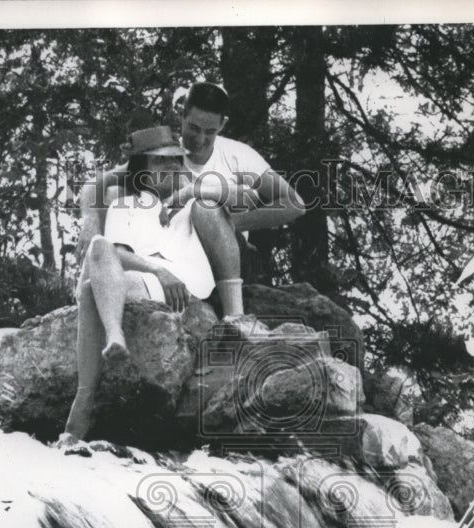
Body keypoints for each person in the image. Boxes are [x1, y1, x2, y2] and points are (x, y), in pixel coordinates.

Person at [63, 125, 235, 442]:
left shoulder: (196, 194)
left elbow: (245, 195)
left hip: (189, 285)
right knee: (98, 255)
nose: (170, 167)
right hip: (149, 280)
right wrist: (157, 270)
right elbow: (113, 254)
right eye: (159, 162)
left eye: (174, 160)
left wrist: (191, 192)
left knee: (95, 287)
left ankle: (84, 400)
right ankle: (114, 337)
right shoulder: (125, 204)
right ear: (143, 169)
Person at [77, 81, 305, 315]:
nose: (200, 138)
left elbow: (294, 204)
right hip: (174, 248)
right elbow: (99, 182)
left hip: (225, 253)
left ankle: (235, 315)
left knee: (205, 208)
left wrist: (229, 223)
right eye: (194, 128)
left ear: (222, 124)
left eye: (210, 132)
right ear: (182, 116)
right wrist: (90, 221)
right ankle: (104, 285)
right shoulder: (166, 151)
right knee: (117, 194)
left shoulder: (238, 155)